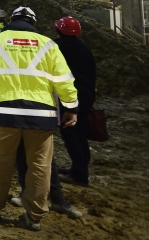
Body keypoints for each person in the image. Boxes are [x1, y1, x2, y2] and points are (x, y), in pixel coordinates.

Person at [0, 6, 79, 232]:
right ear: (33, 22)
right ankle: (34, 216)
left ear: (12, 20)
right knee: (40, 165)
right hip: (40, 116)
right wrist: (71, 108)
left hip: (5, 112)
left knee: (2, 159)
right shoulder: (48, 44)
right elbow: (64, 81)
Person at [53, 16, 96, 186]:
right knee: (80, 134)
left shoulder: (57, 48)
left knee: (70, 134)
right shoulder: (84, 49)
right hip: (85, 98)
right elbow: (92, 75)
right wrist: (92, 98)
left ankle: (79, 175)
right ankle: (79, 169)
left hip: (68, 98)